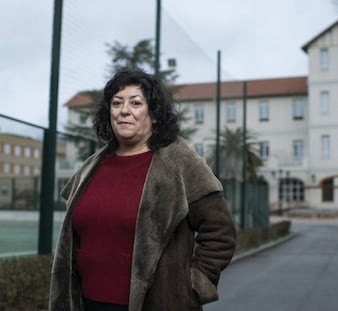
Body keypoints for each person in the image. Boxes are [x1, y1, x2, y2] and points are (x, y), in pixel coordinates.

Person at [49, 69, 236, 311]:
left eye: (135, 103)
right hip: (86, 302)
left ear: (154, 114)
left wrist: (193, 286)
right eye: (117, 103)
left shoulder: (179, 161)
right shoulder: (92, 166)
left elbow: (220, 233)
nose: (124, 110)